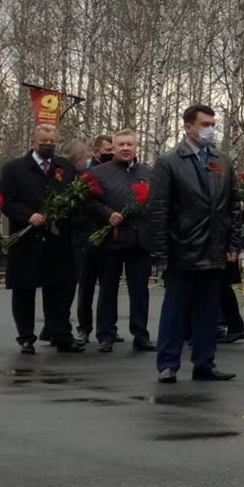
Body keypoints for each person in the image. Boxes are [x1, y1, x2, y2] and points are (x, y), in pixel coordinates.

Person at [144, 104, 242, 383]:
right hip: (182, 247)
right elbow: (158, 209)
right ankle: (168, 364)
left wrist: (232, 243)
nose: (210, 129)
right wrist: (161, 252)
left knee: (209, 309)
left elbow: (234, 205)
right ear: (188, 127)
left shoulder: (221, 160)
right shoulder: (169, 161)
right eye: (205, 124)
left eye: (213, 123)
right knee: (176, 308)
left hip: (214, 247)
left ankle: (204, 362)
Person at [0, 124, 83, 354]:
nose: (48, 146)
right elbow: (6, 200)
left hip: (57, 239)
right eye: (43, 142)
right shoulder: (14, 169)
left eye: (52, 142)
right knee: (24, 289)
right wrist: (28, 216)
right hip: (26, 238)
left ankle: (60, 334)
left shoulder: (65, 167)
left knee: (57, 289)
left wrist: (62, 212)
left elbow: (75, 197)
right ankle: (26, 337)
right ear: (33, 143)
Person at [86, 129, 155, 352]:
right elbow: (87, 202)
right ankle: (105, 334)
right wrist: (107, 214)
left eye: (130, 144)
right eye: (121, 144)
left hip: (140, 241)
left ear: (136, 147)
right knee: (107, 289)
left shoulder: (148, 173)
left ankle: (140, 333)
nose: (125, 148)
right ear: (113, 148)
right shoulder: (98, 173)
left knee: (140, 290)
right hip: (111, 240)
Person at [61, 139, 99, 345]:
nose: (88, 161)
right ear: (78, 159)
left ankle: (58, 326)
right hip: (76, 237)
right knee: (68, 286)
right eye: (86, 158)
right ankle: (61, 327)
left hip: (75, 237)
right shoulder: (73, 179)